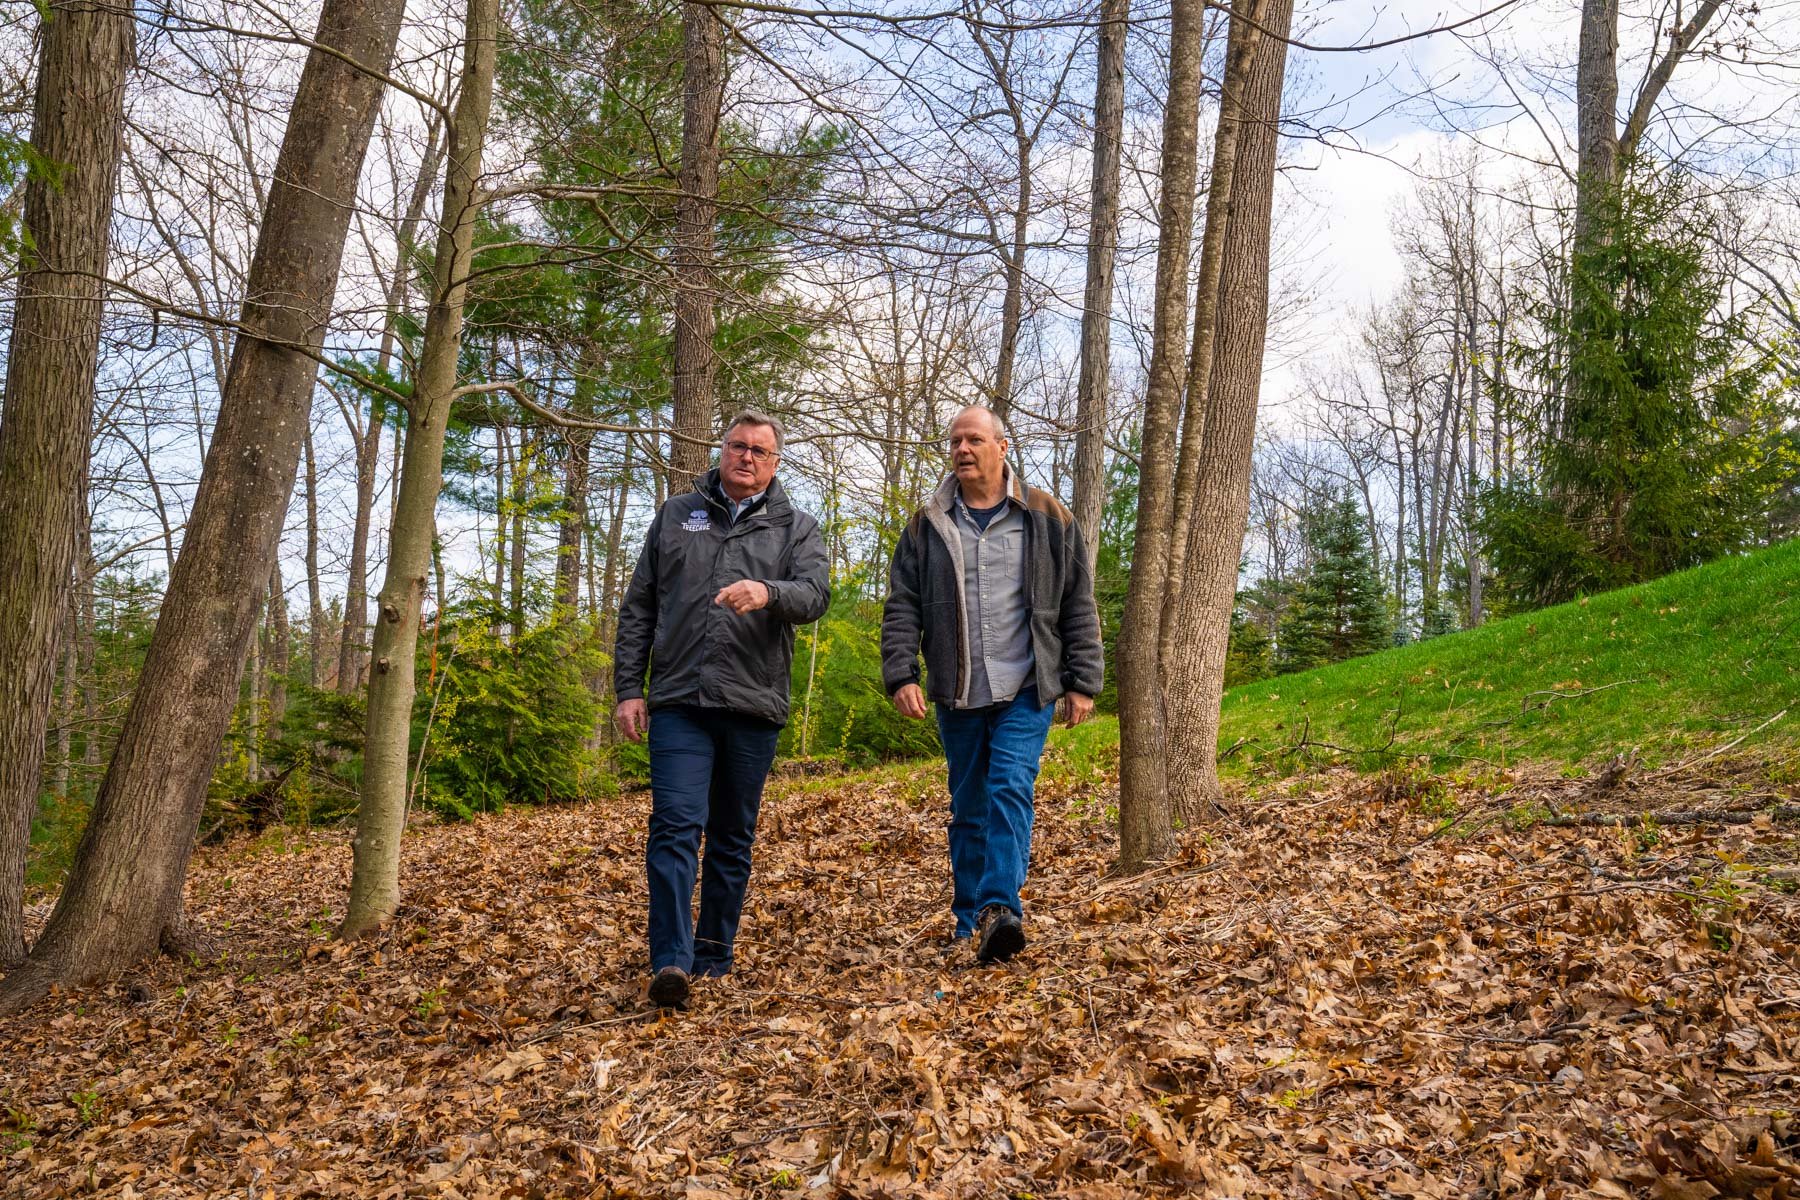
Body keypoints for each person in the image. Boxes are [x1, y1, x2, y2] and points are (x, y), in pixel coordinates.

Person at [614, 411, 829, 1009]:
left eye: (761, 451)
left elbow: (815, 596)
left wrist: (769, 593)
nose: (748, 458)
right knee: (676, 824)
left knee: (732, 834)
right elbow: (639, 608)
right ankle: (670, 961)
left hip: (753, 703)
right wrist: (629, 688)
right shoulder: (676, 516)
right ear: (721, 450)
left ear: (776, 462)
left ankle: (712, 954)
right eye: (738, 446)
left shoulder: (796, 528)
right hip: (681, 700)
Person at [880, 405, 1103, 963]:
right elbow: (902, 606)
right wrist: (900, 672)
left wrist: (1083, 681)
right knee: (969, 805)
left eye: (974, 439)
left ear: (1002, 447)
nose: (961, 449)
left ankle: (1000, 909)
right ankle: (967, 919)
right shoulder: (927, 524)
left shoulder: (1048, 516)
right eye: (955, 440)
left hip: (1027, 684)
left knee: (1009, 787)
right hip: (958, 689)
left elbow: (1078, 601)